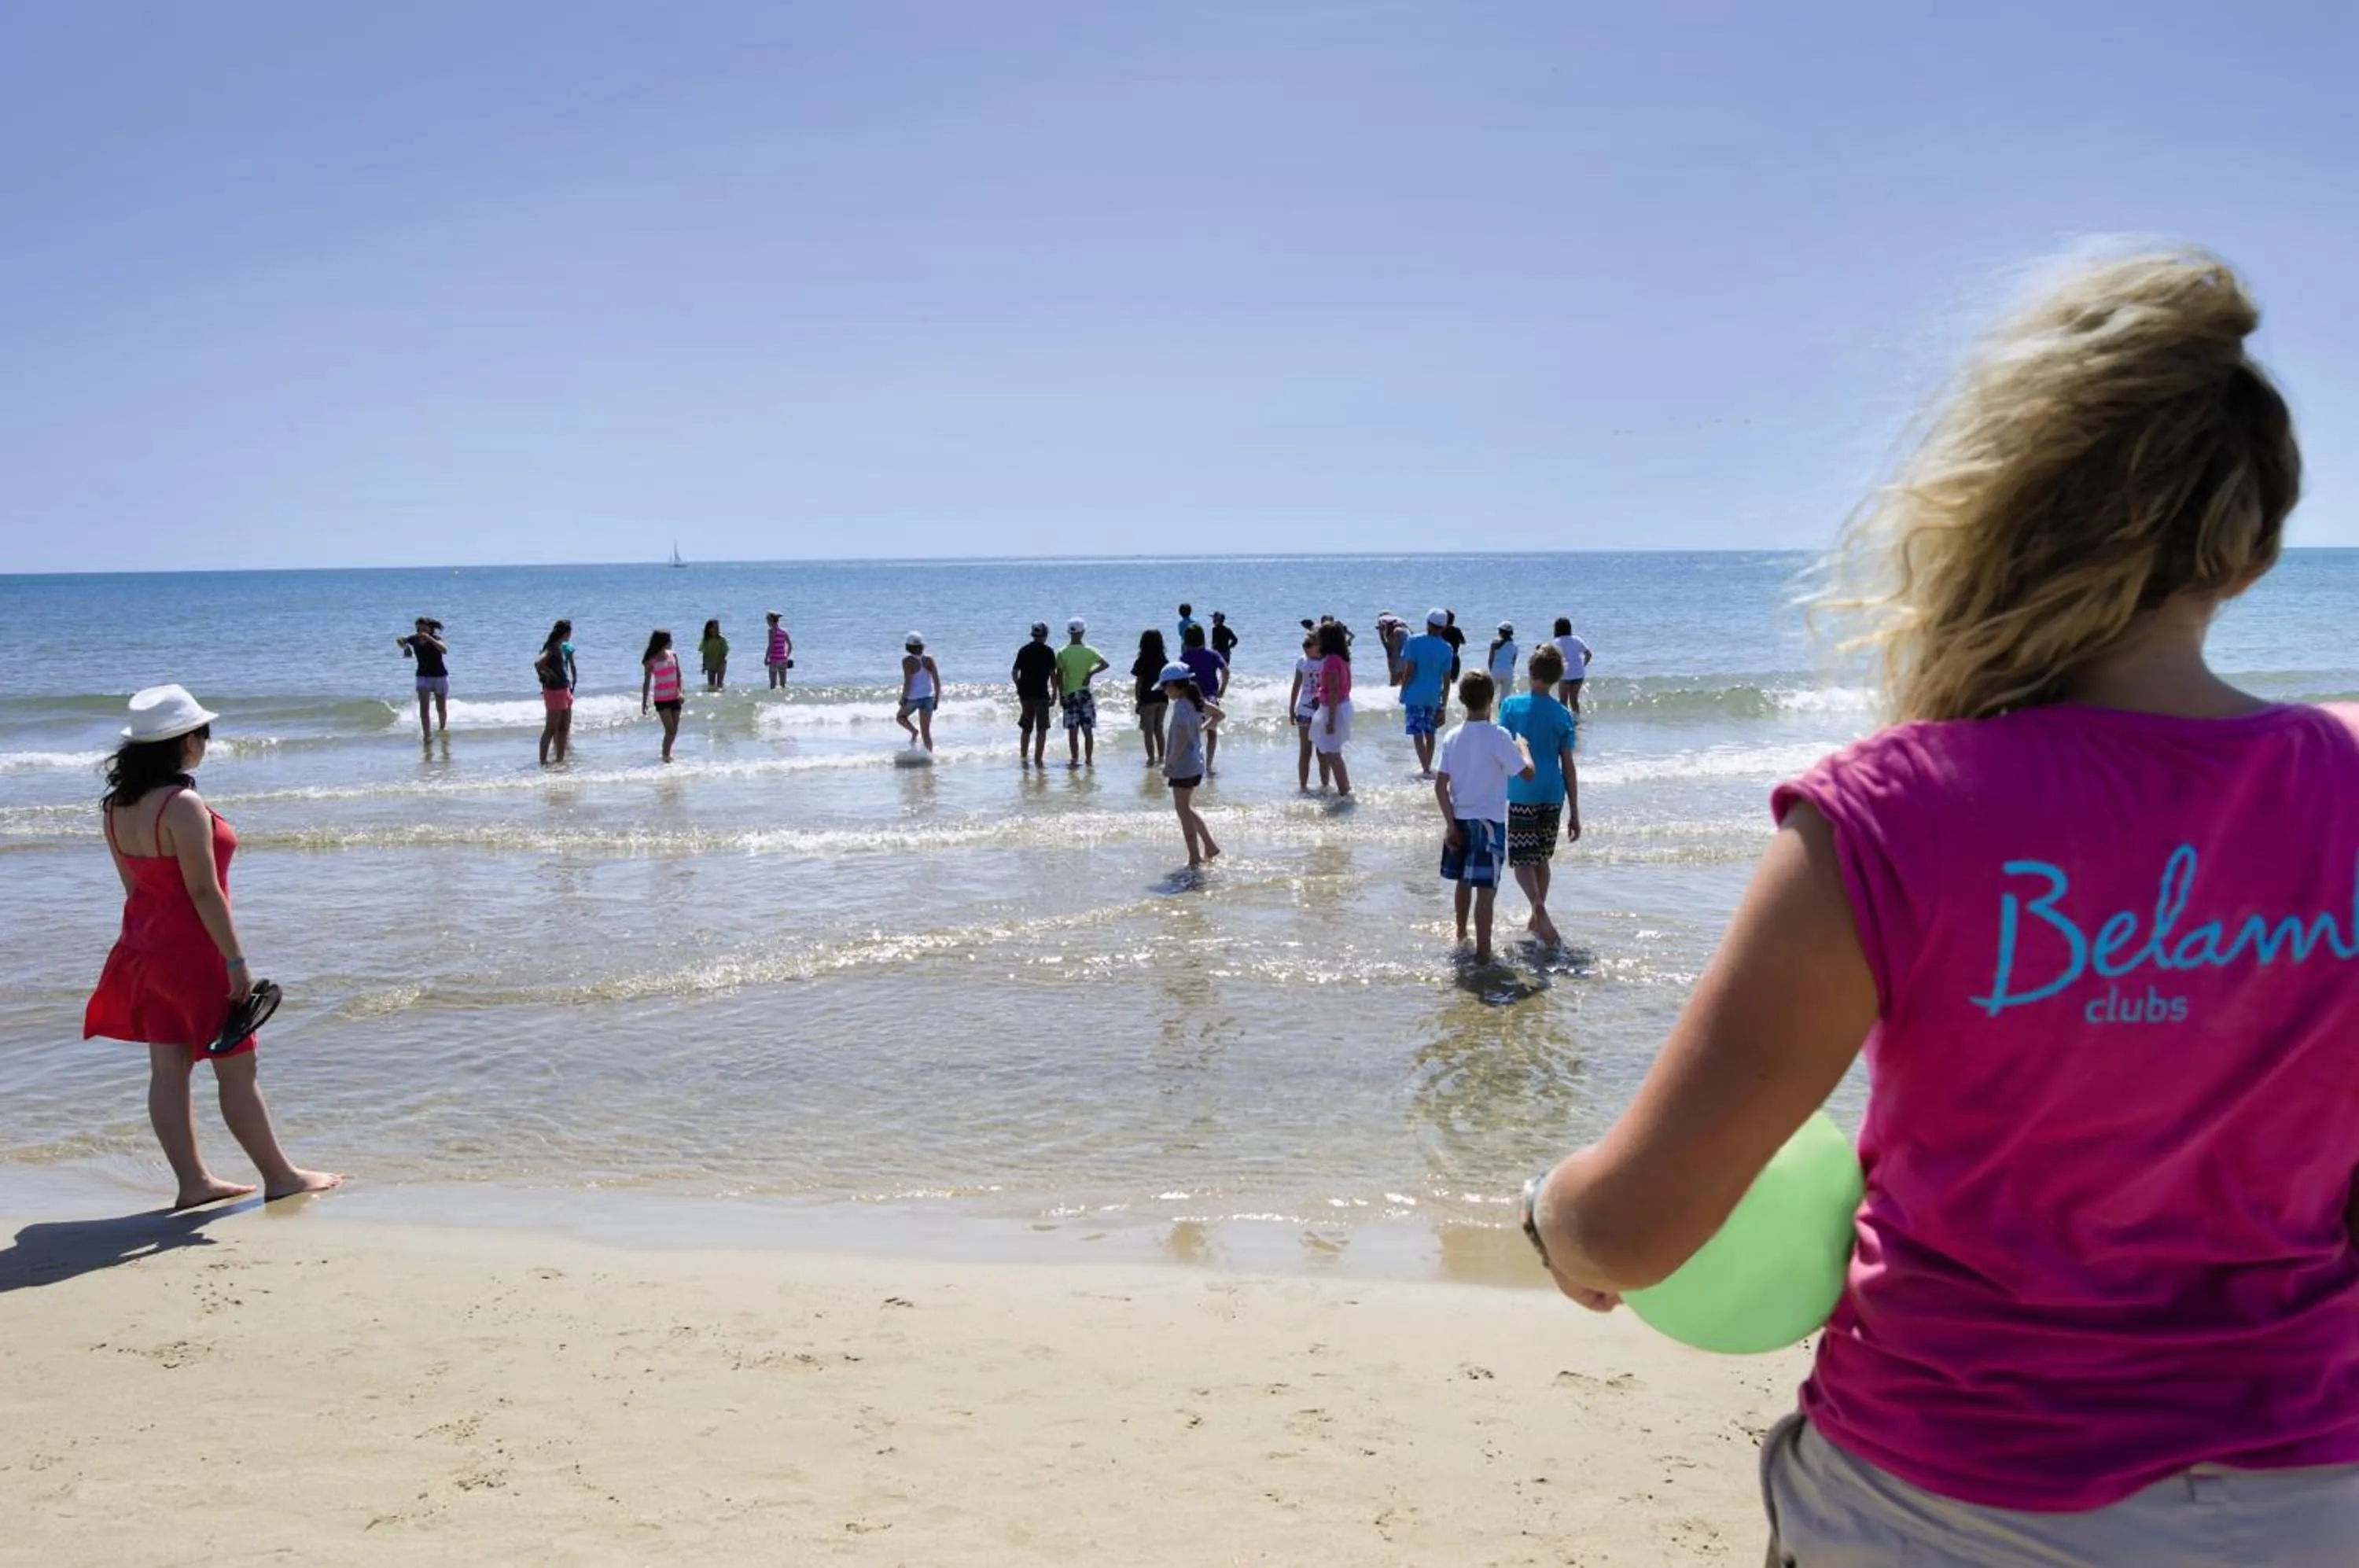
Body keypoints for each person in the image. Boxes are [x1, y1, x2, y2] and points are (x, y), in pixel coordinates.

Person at [1518, 249, 2359, 1564]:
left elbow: (1634, 1222)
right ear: (2249, 549)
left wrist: (1554, 1219)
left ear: (1991, 522)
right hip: (2308, 1490)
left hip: (1943, 1498)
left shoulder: (1891, 812)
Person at [83, 685, 342, 1208]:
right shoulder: (182, 804)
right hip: (192, 953)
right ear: (183, 742)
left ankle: (193, 1182)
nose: (206, 742)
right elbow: (204, 892)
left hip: (142, 946)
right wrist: (236, 962)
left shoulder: (116, 807)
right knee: (237, 1066)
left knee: (167, 1068)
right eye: (202, 733)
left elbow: (134, 888)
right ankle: (282, 1176)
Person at [1433, 671, 1532, 963]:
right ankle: (1483, 953)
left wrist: (1450, 824)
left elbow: (1440, 786)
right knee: (1486, 891)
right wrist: (1524, 749)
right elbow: (1527, 774)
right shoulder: (1498, 736)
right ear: (1492, 700)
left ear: (1461, 700)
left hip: (1459, 820)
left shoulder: (1452, 736)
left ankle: (1461, 933)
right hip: (1489, 823)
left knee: (1463, 883)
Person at [1498, 644, 1581, 948]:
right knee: (1542, 857)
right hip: (1553, 790)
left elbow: (1503, 749)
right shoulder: (1562, 713)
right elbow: (1568, 766)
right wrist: (1575, 811)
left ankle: (1536, 904)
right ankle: (1537, 915)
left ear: (1530, 671)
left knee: (1522, 856)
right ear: (1558, 678)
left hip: (1523, 787)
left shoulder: (1511, 706)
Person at [1159, 662, 1224, 867]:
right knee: (1187, 807)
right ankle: (1210, 845)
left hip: (1183, 765)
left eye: (1164, 687)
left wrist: (1169, 764)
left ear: (1172, 685)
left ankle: (1194, 857)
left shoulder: (1181, 707)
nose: (1164, 692)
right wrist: (1202, 729)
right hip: (1196, 763)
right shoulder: (1196, 701)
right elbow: (1219, 715)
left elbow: (1182, 739)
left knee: (1183, 812)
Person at [1397, 609, 1455, 776]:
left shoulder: (1414, 641)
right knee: (1430, 732)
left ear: (1428, 623)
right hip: (1433, 695)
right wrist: (1444, 705)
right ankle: (1427, 766)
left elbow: (1410, 669)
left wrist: (1403, 690)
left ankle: (1425, 768)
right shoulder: (1447, 648)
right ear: (1443, 628)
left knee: (1417, 732)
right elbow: (1446, 679)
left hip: (1415, 693)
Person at [1057, 618, 1110, 767]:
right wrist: (1090, 674)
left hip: (1069, 693)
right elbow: (1105, 664)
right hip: (1085, 693)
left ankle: (1074, 759)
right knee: (1087, 729)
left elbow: (1059, 676)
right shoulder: (1090, 651)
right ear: (1083, 632)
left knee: (1072, 730)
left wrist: (1060, 694)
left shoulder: (1062, 652)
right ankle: (1088, 759)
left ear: (1069, 633)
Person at [1179, 624, 1228, 777]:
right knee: (1212, 732)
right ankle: (1209, 765)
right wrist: (1222, 690)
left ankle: (1194, 762)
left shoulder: (1184, 656)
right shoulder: (1212, 654)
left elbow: (1181, 677)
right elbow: (1226, 671)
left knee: (1192, 732)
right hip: (1211, 697)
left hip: (1192, 698)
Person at [1312, 618, 1354, 797]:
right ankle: (1344, 789)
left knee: (1332, 751)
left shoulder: (1331, 661)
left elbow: (1334, 692)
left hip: (1335, 708)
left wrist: (1330, 720)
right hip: (1341, 706)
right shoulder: (1342, 658)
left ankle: (1345, 791)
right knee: (1331, 750)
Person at [1010, 622, 1060, 768]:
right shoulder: (1049, 652)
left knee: (1026, 727)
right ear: (1045, 636)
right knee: (1042, 729)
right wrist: (1055, 694)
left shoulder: (1024, 650)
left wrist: (1018, 685)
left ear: (1033, 635)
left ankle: (1024, 758)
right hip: (1041, 694)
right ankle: (1038, 760)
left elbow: (1014, 673)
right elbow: (1053, 676)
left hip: (1025, 694)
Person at [395, 617, 449, 740]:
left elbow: (444, 650)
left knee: (441, 707)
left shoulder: (436, 639)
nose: (421, 631)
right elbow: (399, 640)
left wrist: (430, 639)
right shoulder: (414, 639)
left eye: (424, 628)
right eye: (419, 628)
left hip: (439, 676)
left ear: (430, 629)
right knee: (424, 708)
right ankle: (427, 735)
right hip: (422, 676)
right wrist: (405, 647)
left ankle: (442, 729)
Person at [535, 619, 576, 766]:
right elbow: (538, 663)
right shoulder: (552, 648)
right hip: (555, 691)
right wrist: (548, 674)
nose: (571, 635)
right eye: (570, 632)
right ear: (566, 633)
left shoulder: (559, 646)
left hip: (564, 690)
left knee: (564, 727)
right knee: (551, 728)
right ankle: (543, 761)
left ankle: (560, 759)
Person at [639, 628, 684, 763]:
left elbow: (679, 676)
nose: (671, 642)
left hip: (675, 697)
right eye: (669, 640)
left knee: (674, 730)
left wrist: (681, 692)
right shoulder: (651, 660)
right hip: (661, 699)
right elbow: (647, 682)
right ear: (662, 642)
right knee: (669, 729)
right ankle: (666, 756)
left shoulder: (673, 655)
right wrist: (644, 701)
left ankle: (666, 754)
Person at [1288, 630, 1323, 790]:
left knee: (1323, 752)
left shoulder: (1326, 661)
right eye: (1304, 645)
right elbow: (1296, 686)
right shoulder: (1302, 661)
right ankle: (1303, 786)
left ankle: (1325, 785)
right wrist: (1291, 708)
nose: (1305, 648)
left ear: (1318, 645)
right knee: (1305, 751)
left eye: (1309, 645)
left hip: (1323, 710)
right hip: (1304, 710)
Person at [1132, 629, 1172, 767]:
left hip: (1148, 699)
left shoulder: (1142, 660)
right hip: (1163, 698)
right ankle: (1162, 757)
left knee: (1148, 731)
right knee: (1159, 729)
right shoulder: (1164, 660)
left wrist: (1138, 701)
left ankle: (1150, 759)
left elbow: (1139, 682)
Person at [896, 633, 940, 752]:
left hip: (913, 698)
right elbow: (936, 681)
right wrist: (937, 699)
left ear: (908, 647)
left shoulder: (907, 661)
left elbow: (908, 682)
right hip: (928, 698)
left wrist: (903, 698)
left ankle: (914, 732)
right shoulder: (929, 659)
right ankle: (930, 757)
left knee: (900, 717)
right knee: (926, 732)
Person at [1551, 617, 1594, 710]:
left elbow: (1553, 658)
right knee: (1574, 700)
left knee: (1563, 700)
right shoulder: (1577, 639)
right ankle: (1577, 720)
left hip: (1566, 673)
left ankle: (1565, 720)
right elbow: (1589, 654)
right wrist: (1583, 666)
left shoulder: (1556, 642)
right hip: (1579, 673)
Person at [1438, 609, 1467, 721]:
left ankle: (1444, 702)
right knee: (1453, 682)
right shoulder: (1456, 630)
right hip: (1455, 658)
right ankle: (1452, 700)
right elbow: (1463, 642)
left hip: (1442, 659)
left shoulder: (1440, 631)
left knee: (1442, 681)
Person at [1375, 612, 1408, 685]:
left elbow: (1388, 648)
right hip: (1405, 661)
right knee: (1403, 681)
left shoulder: (1382, 621)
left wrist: (1381, 636)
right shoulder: (1399, 624)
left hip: (1395, 665)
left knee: (1394, 681)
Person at [764, 612, 794, 690]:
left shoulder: (771, 631)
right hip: (783, 660)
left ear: (771, 621)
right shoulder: (784, 632)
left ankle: (773, 701)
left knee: (773, 686)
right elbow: (790, 646)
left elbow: (770, 646)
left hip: (774, 660)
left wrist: (766, 658)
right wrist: (786, 656)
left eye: (767, 621)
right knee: (783, 685)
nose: (767, 623)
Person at [1486, 622, 1521, 689]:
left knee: (1490, 695)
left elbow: (1490, 659)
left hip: (1495, 671)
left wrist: (1491, 671)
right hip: (1508, 672)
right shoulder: (1515, 647)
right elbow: (1513, 663)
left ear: (1500, 632)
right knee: (1505, 697)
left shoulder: (1495, 644)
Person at [699, 619, 729, 691]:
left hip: (721, 663)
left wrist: (720, 663)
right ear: (709, 629)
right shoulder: (706, 640)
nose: (717, 629)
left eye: (717, 628)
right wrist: (704, 666)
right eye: (715, 627)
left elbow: (724, 652)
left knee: (719, 684)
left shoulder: (722, 639)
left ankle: (721, 697)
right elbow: (704, 654)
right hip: (710, 664)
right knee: (711, 684)